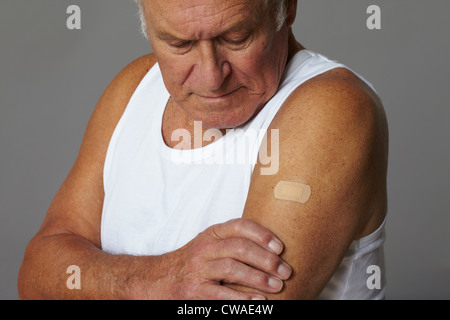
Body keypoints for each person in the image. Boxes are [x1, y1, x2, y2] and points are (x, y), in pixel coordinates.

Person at [18, 0, 389, 300]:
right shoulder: (133, 88)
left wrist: (98, 280)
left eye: (236, 37)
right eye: (179, 44)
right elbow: (38, 273)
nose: (211, 77)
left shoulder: (331, 110)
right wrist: (153, 280)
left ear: (286, 8)